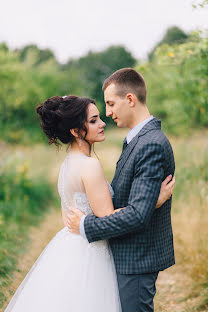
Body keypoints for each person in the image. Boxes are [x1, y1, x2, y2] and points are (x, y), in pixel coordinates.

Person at [4, 94, 174, 312]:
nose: (103, 123)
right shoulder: (89, 165)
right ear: (76, 131)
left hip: (69, 245)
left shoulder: (69, 163)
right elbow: (108, 218)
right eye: (93, 121)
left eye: (100, 117)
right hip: (91, 252)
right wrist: (153, 202)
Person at [67, 68, 176, 312]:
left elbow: (137, 215)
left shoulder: (151, 144)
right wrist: (151, 202)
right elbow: (135, 203)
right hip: (127, 255)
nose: (107, 113)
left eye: (110, 103)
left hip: (137, 258)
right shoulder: (137, 140)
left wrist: (86, 225)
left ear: (130, 99)